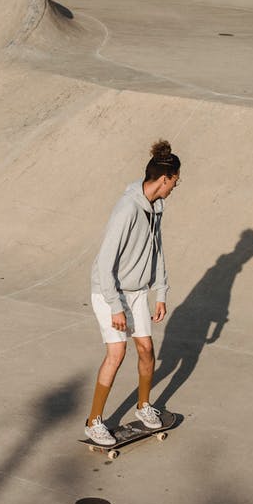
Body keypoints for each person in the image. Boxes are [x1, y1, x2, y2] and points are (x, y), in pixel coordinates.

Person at [85, 139, 180, 445]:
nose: (176, 187)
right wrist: (115, 305)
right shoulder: (126, 210)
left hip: (137, 291)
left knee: (146, 349)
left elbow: (158, 250)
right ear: (164, 179)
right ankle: (94, 421)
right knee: (117, 352)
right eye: (176, 181)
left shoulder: (156, 207)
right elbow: (105, 263)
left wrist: (161, 291)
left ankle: (143, 406)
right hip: (108, 290)